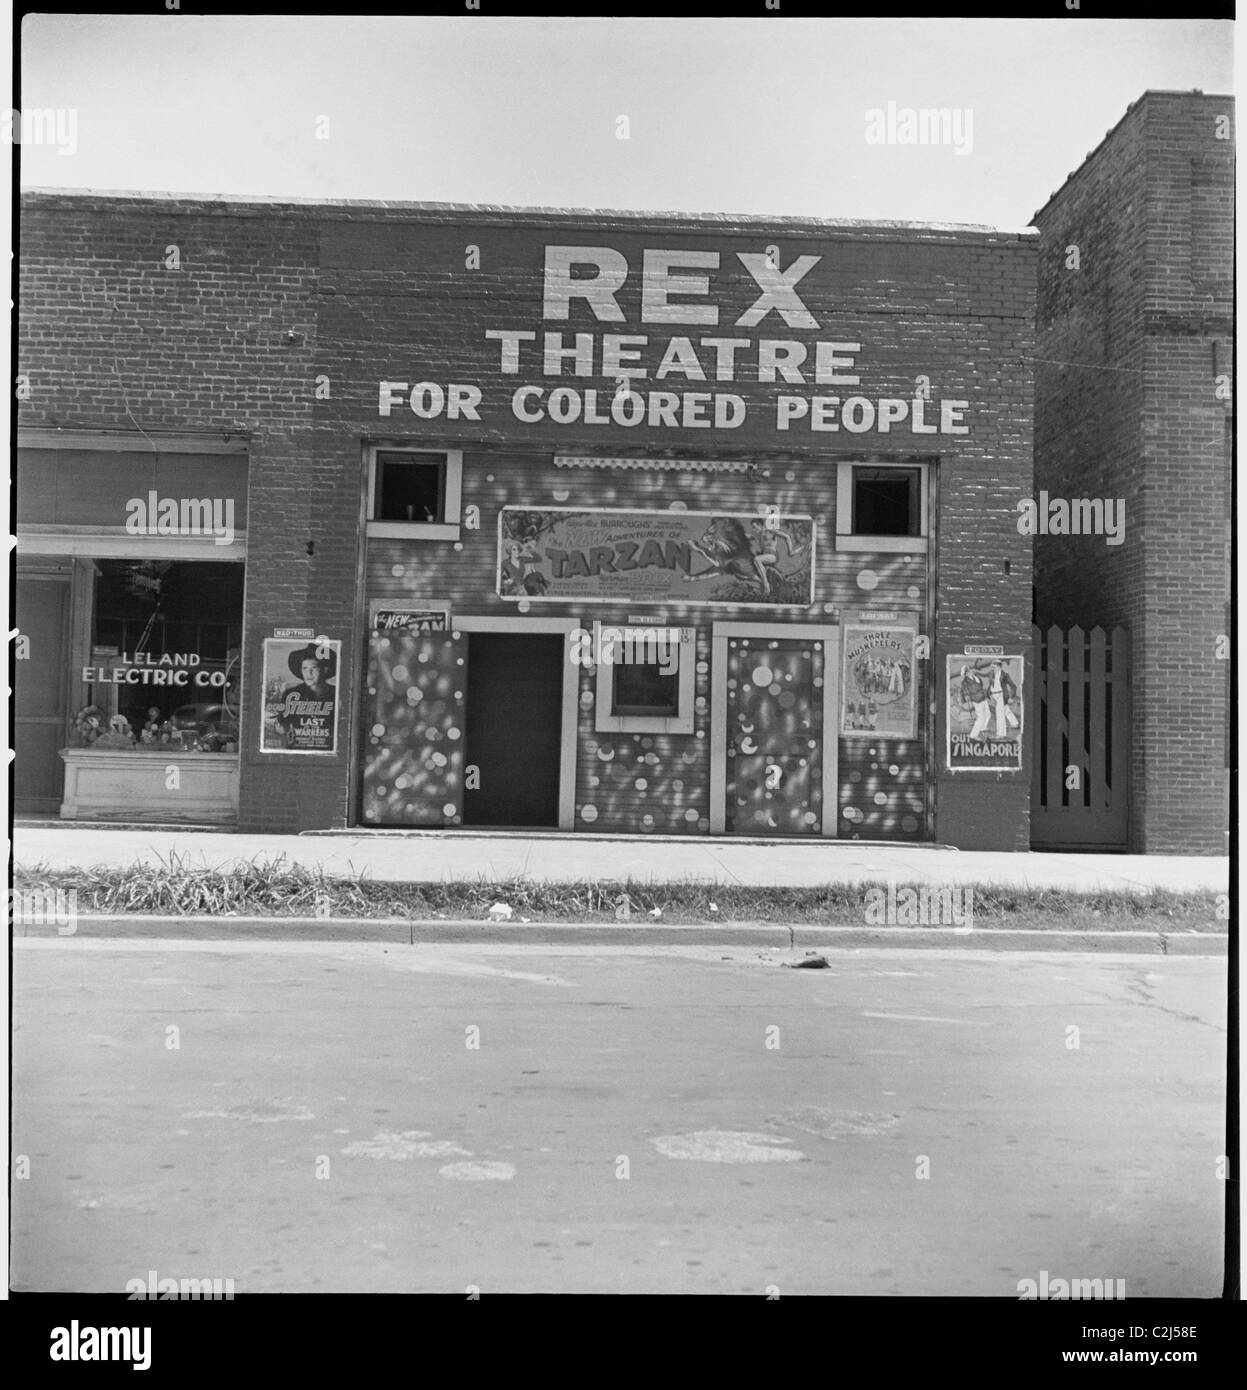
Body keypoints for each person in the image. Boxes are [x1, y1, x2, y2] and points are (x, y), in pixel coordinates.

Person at [278, 645, 336, 749]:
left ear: (324, 670)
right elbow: (283, 728)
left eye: (314, 668)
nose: (309, 673)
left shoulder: (336, 694)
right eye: (305, 668)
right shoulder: (291, 695)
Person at [988, 660, 1020, 738]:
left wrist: (1011, 697)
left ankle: (1001, 734)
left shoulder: (1005, 675)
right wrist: (989, 695)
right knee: (1006, 710)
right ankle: (1015, 723)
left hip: (1001, 695)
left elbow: (1013, 686)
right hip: (994, 695)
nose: (992, 668)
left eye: (994, 667)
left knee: (999, 714)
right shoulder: (991, 674)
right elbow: (990, 685)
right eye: (992, 667)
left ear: (999, 667)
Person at [960, 664, 991, 740]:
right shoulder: (965, 681)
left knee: (988, 714)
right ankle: (973, 735)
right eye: (968, 671)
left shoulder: (976, 677)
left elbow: (980, 686)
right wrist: (965, 699)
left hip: (983, 697)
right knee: (981, 717)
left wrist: (985, 696)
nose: (971, 671)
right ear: (966, 673)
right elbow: (963, 691)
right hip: (976, 700)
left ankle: (982, 728)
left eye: (970, 670)